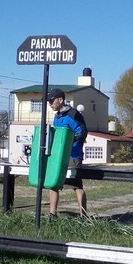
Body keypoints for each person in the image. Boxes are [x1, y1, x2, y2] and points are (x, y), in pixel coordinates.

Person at [47, 88, 88, 217]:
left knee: (76, 186)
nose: (50, 104)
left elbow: (82, 132)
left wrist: (70, 140)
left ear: (60, 100)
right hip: (58, 157)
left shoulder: (74, 114)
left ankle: (84, 215)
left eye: (51, 101)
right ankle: (52, 214)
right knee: (53, 184)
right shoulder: (57, 117)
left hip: (73, 155)